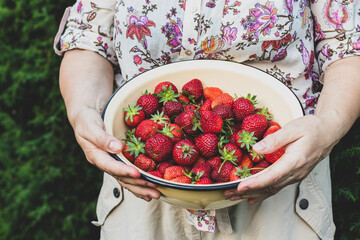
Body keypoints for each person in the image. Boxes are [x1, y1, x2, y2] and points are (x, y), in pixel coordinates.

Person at [54, 0, 360, 239]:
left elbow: (348, 44)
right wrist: (84, 111)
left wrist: (326, 127)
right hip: (141, 190)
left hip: (281, 179)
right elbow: (89, 38)